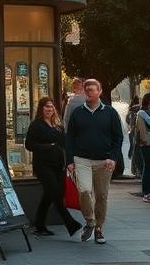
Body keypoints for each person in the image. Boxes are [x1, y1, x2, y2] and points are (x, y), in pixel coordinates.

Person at [65, 78, 124, 244]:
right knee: (84, 191)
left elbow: (118, 137)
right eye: (87, 90)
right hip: (82, 159)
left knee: (101, 195)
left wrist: (113, 157)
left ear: (100, 92)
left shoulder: (110, 113)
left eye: (93, 90)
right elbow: (69, 138)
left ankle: (99, 228)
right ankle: (90, 221)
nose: (89, 92)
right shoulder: (77, 113)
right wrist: (69, 160)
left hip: (104, 161)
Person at [25, 97, 82, 237]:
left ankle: (39, 225)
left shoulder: (57, 126)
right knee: (54, 193)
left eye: (51, 107)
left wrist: (70, 162)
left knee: (51, 194)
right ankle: (70, 223)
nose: (49, 109)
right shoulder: (36, 125)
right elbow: (29, 145)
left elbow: (66, 144)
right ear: (41, 109)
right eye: (46, 107)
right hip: (43, 166)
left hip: (58, 166)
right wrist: (47, 147)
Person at [125, 103, 143, 178]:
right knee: (136, 153)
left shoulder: (131, 114)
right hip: (135, 134)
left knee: (134, 151)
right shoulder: (136, 115)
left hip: (133, 133)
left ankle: (136, 171)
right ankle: (137, 171)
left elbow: (127, 121)